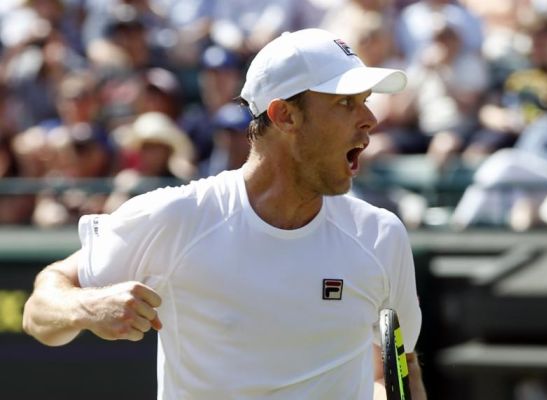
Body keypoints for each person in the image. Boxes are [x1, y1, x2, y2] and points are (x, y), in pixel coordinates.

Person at [23, 28, 426, 399]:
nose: (370, 120)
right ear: (284, 115)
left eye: (365, 102)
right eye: (345, 103)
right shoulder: (178, 217)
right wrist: (87, 308)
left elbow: (395, 368)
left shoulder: (381, 236)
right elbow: (40, 308)